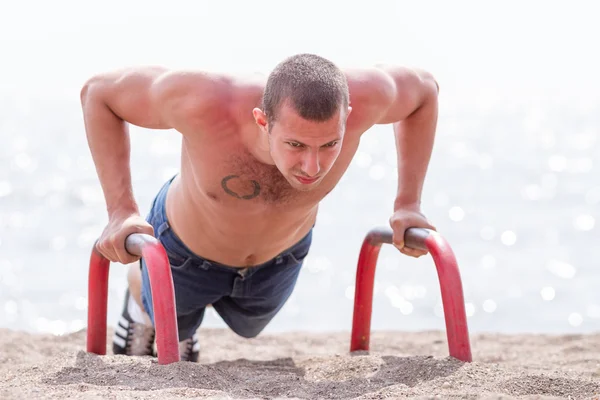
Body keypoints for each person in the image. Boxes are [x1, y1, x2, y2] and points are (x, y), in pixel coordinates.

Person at [80, 53, 439, 362]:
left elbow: (425, 91)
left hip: (280, 257)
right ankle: (140, 290)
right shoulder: (205, 100)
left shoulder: (368, 96)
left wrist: (408, 203)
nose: (312, 167)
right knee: (175, 328)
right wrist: (121, 211)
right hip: (183, 250)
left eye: (330, 144)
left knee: (250, 328)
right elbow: (98, 93)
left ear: (347, 115)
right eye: (295, 144)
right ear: (262, 120)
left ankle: (188, 312)